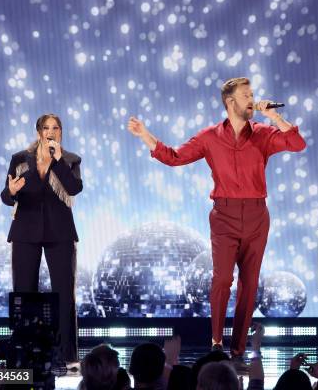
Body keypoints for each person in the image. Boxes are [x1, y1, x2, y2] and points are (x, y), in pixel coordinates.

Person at [127, 77, 306, 364]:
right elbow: (174, 157)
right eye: (246, 95)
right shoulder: (210, 136)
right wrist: (145, 136)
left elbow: (297, 143)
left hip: (258, 215)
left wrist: (274, 116)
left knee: (250, 283)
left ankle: (237, 350)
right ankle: (217, 343)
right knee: (223, 278)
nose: (252, 99)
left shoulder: (263, 133)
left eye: (253, 94)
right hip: (224, 215)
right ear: (230, 102)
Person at [0, 113, 82, 366]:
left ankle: (64, 355)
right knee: (24, 292)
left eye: (55, 127)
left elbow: (74, 188)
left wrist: (55, 162)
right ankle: (25, 352)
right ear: (38, 132)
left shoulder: (69, 159)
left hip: (60, 232)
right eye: (46, 127)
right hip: (25, 231)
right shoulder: (20, 159)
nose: (51, 131)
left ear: (60, 132)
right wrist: (11, 192)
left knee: (64, 293)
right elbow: (7, 195)